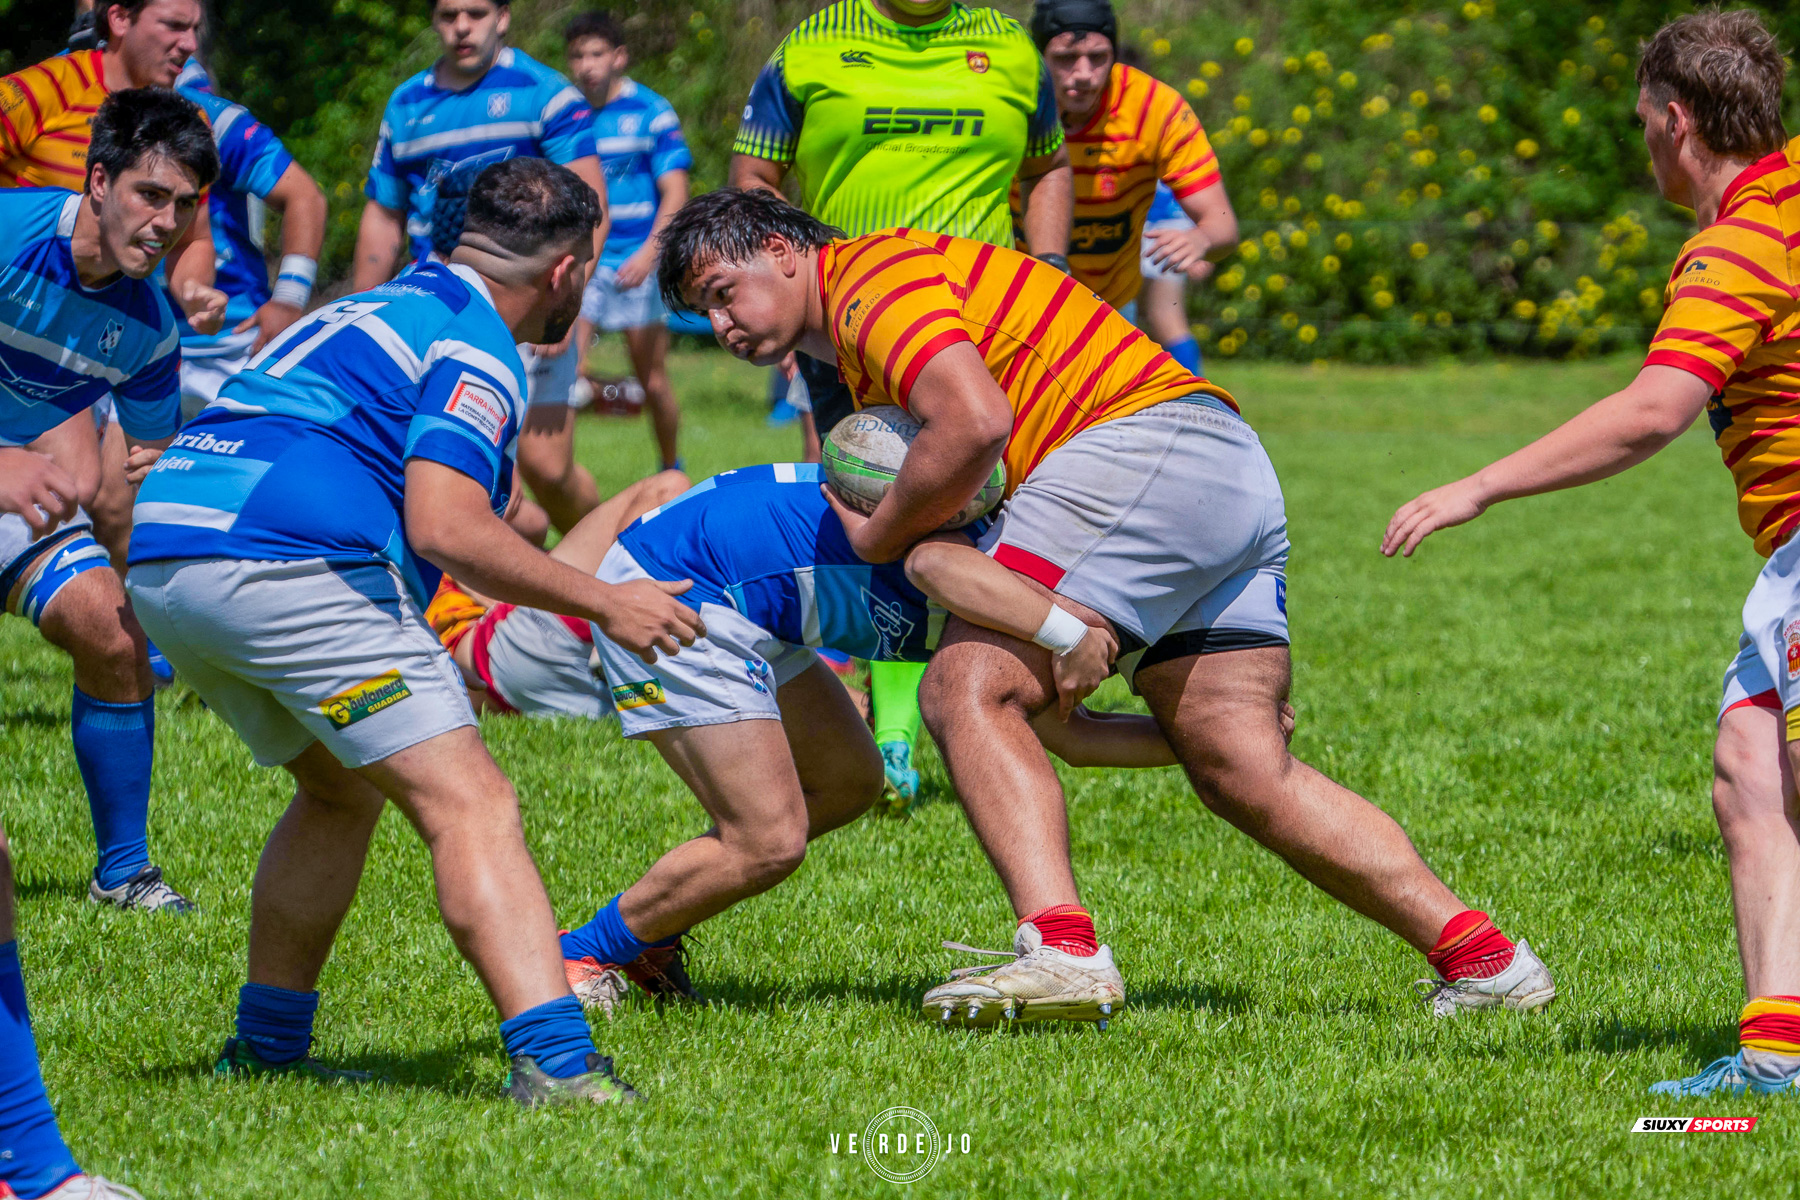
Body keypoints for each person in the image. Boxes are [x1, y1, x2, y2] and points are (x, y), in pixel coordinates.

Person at [660, 187, 1558, 1027]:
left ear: (781, 249)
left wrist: (876, 535)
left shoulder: (869, 277)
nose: (721, 323)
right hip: (1222, 468)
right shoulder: (876, 316)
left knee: (965, 688)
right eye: (703, 312)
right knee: (1242, 767)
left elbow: (973, 423)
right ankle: (1487, 962)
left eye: (723, 292)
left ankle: (1063, 951)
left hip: (1133, 451)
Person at [126, 158, 702, 1105]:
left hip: (169, 553)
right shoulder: (479, 346)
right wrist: (608, 601)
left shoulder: (377, 304)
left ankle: (266, 1052)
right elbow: (448, 528)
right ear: (564, 271)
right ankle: (559, 1066)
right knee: (471, 803)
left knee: (338, 790)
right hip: (288, 562)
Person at [1384, 10, 1800, 1096]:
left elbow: (1654, 411)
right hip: (1787, 559)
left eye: (1640, 121)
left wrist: (1478, 484)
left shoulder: (1739, 245)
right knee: (1750, 773)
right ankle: (1773, 1057)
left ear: (1676, 120)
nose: (1641, 140)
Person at [490, 462, 1172, 1015]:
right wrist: (1069, 634)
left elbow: (1073, 738)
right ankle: (584, 952)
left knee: (849, 782)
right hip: (674, 586)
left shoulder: (1041, 586)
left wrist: (1204, 747)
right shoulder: (1032, 596)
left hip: (746, 592)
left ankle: (648, 934)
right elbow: (936, 567)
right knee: (765, 840)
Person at [730, 0, 1076, 806]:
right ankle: (890, 739)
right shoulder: (814, 43)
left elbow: (1048, 166)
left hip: (981, 323)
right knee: (885, 518)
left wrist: (1052, 261)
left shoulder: (1009, 47)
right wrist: (783, 302)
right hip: (846, 324)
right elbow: (754, 182)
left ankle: (1001, 702)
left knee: (1005, 521)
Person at [0, 89, 221, 913]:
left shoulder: (151, 331)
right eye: (149, 194)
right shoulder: (9, 235)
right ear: (99, 182)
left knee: (115, 635)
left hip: (16, 495)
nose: (165, 222)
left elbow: (150, 468)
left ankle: (123, 872)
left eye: (185, 206)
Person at [354, 0, 609, 537]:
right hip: (440, 311)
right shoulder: (406, 105)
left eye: (474, 12)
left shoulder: (547, 94)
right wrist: (364, 303)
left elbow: (589, 204)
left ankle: (611, 559)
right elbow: (383, 212)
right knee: (463, 471)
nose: (462, 27)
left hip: (533, 302)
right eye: (448, 15)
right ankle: (493, 592)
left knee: (545, 468)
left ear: (503, 16)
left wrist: (565, 303)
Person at [2, 0, 228, 582]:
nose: (188, 45)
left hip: (87, 318)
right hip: (27, 281)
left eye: (195, 29)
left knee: (82, 491)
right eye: (174, 26)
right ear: (120, 18)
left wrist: (194, 287)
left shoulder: (193, 129)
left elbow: (189, 241)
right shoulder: (41, 89)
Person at [1031, 0, 1234, 345]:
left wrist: (1200, 239)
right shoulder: (1014, 101)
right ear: (1038, 59)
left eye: (1098, 57)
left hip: (1110, 304)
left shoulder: (1155, 108)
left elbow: (1223, 226)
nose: (1083, 73)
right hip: (1020, 301)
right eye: (1065, 59)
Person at [560, 11, 689, 476]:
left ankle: (672, 468)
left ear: (618, 57)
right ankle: (560, 472)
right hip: (583, 259)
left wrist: (649, 255)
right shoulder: (565, 114)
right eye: (577, 55)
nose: (586, 65)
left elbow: (676, 191)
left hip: (637, 262)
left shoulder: (651, 112)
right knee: (563, 371)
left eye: (596, 53)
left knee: (651, 380)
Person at [169, 83, 328, 422]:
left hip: (232, 340)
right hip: (129, 337)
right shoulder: (62, 99)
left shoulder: (213, 116)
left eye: (191, 28)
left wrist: (289, 299)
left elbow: (304, 196)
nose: (186, 44)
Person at [1136, 182, 1205, 373]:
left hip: (1153, 225)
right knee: (1159, 318)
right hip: (1173, 224)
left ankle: (1195, 392)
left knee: (1165, 317)